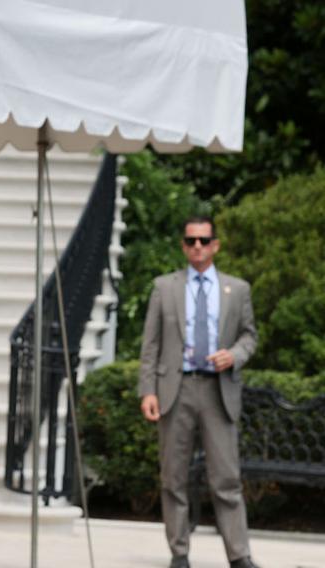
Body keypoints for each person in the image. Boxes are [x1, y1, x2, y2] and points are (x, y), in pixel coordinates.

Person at [139, 216, 259, 568]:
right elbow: (151, 344)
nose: (197, 247)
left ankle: (239, 557)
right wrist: (147, 390)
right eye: (191, 241)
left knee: (226, 479)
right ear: (183, 245)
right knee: (172, 477)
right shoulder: (164, 287)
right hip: (175, 390)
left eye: (204, 241)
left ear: (215, 245)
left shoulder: (237, 289)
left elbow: (249, 336)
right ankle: (179, 554)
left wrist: (233, 356)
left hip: (218, 392)